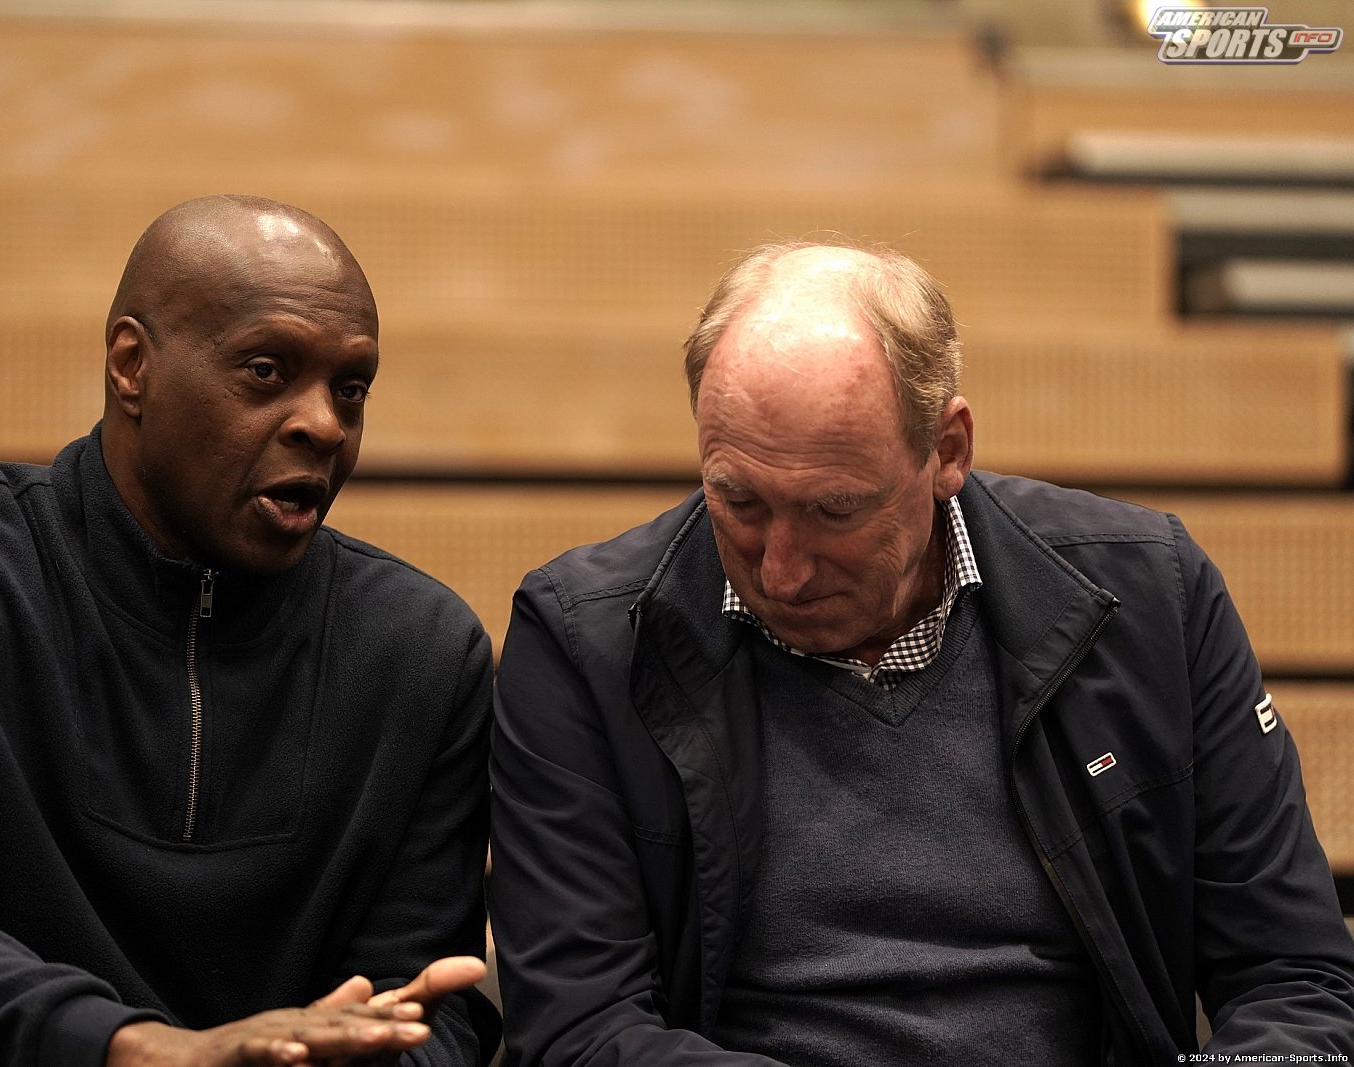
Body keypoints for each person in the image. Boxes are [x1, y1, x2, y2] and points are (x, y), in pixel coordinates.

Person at [488, 239, 1354, 1064]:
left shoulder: (1151, 596)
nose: (781, 570)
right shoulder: (589, 643)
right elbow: (580, 1030)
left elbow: (1296, 980)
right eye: (739, 501)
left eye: (834, 510)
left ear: (947, 451)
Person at [0, 195, 498, 1067]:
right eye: (267, 370)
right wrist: (141, 1050)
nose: (324, 424)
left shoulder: (423, 652)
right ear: (132, 366)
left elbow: (427, 1002)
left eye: (351, 388)